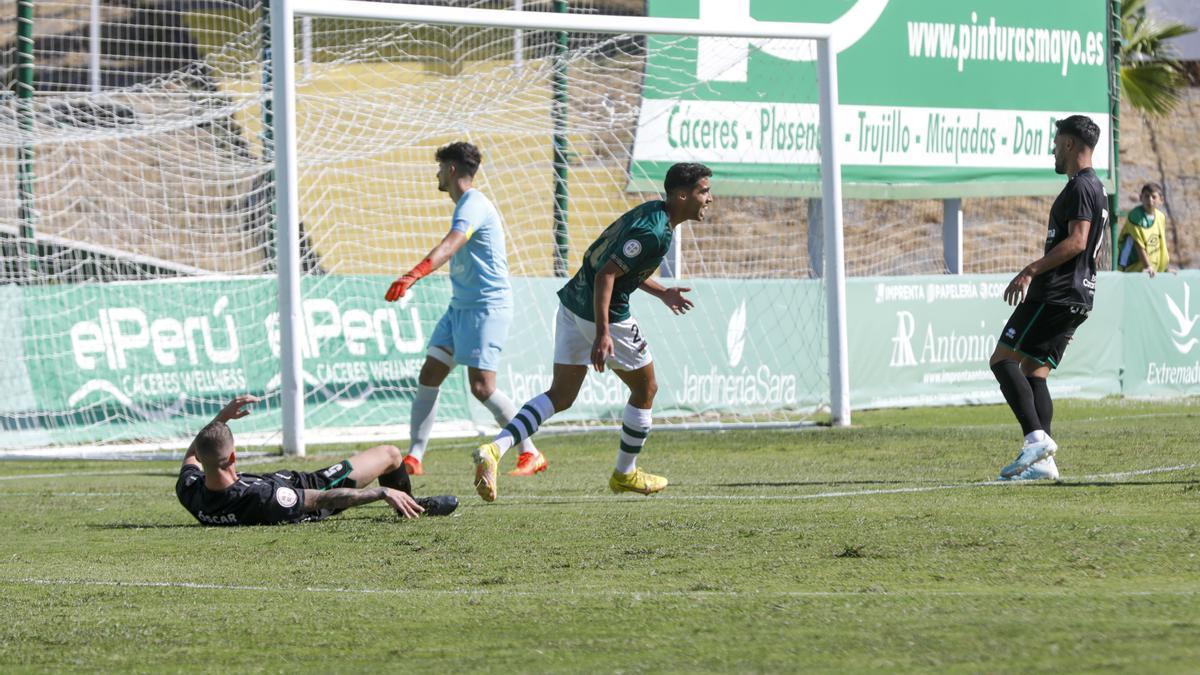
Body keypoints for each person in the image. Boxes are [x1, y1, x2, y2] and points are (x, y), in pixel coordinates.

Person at [470, 162, 713, 502]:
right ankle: (625, 473)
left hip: (573, 304)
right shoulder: (655, 232)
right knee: (647, 388)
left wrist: (663, 293)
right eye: (704, 191)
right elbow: (607, 276)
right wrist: (603, 333)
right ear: (683, 195)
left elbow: (621, 268)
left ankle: (494, 450)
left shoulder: (652, 214)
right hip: (605, 314)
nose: (709, 199)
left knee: (561, 396)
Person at [384, 141, 543, 478]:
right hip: (461, 308)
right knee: (430, 374)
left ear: (452, 169)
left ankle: (530, 452)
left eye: (440, 168)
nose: (437, 174)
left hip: (487, 307)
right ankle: (414, 457)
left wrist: (415, 273)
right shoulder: (467, 204)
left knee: (482, 387)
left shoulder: (473, 204)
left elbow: (451, 244)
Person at [989, 115, 1108, 482]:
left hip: (1056, 293)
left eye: (1057, 143)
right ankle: (1043, 462)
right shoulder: (1096, 188)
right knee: (1035, 371)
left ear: (1070, 145)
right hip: (1078, 295)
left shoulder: (1080, 188)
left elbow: (1077, 241)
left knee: (1002, 359)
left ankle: (1036, 440)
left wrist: (1030, 270)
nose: (1054, 150)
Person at [176, 395, 458, 526]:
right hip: (318, 483)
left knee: (388, 455)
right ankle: (410, 505)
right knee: (391, 454)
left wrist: (222, 419)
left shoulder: (191, 490)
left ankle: (405, 501)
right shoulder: (262, 496)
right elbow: (322, 499)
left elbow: (191, 455)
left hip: (301, 484)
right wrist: (381, 492)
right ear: (233, 456)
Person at [1117, 182, 1171, 277]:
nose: (1150, 200)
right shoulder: (1135, 217)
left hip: (1152, 270)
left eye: (1154, 197)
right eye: (1146, 196)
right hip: (1132, 270)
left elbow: (1161, 243)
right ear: (1141, 198)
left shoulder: (1160, 217)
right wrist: (1148, 267)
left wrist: (1165, 268)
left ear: (1161, 200)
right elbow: (1139, 245)